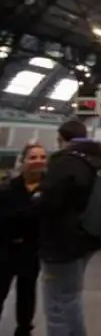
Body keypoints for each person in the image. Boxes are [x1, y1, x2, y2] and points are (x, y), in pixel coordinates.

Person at [39, 119, 101, 336]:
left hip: (61, 243)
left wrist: (36, 199)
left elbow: (50, 203)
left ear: (62, 139)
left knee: (57, 305)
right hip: (86, 239)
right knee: (71, 298)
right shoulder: (95, 161)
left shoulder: (65, 162)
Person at [0, 144, 47, 336]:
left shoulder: (49, 189)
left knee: (27, 292)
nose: (38, 161)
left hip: (32, 249)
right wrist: (31, 212)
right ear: (23, 161)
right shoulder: (8, 188)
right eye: (33, 157)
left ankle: (24, 329)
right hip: (5, 248)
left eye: (43, 157)